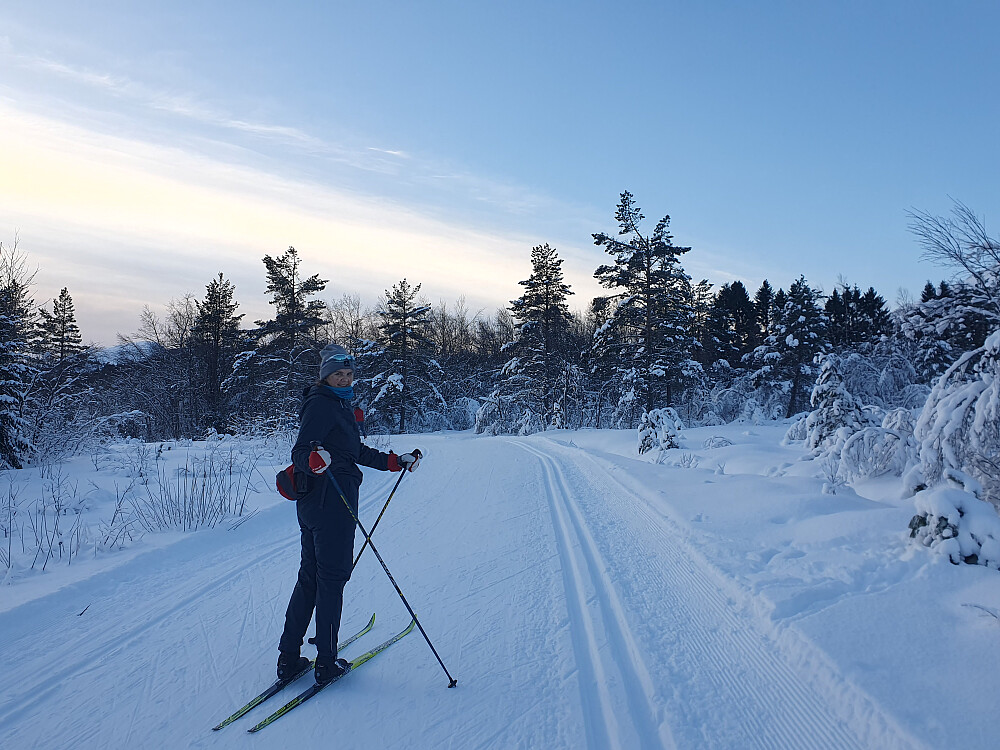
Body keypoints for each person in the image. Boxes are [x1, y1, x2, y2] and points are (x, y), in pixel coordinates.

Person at [277, 343, 421, 685]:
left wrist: (394, 462)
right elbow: (301, 451)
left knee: (312, 578)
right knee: (331, 579)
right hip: (330, 504)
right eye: (337, 374)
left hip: (318, 503)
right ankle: (326, 663)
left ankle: (289, 658)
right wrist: (313, 461)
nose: (344, 378)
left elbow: (352, 451)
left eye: (348, 373)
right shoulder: (322, 404)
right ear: (325, 376)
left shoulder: (336, 403)